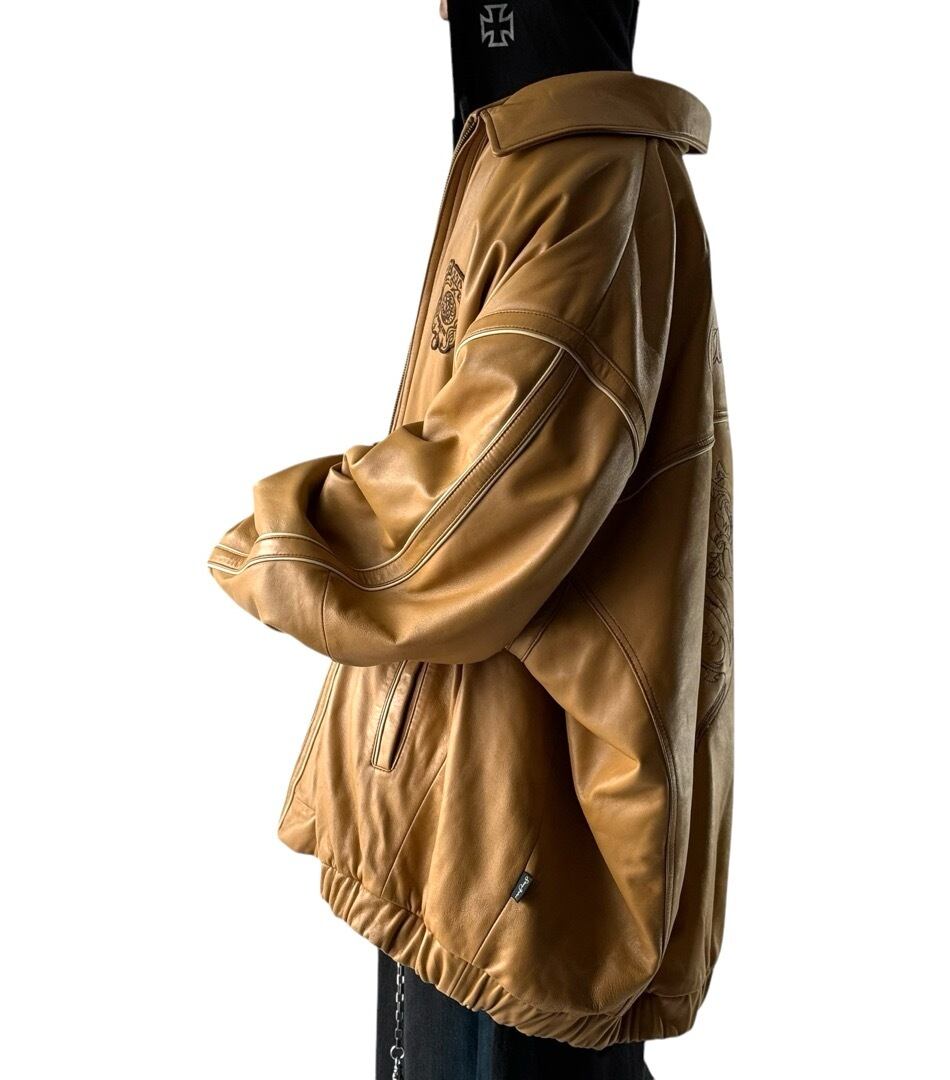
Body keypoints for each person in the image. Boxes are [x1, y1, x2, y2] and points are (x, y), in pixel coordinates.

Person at [207, 1, 733, 1077]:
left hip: (504, 850)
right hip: (481, 824)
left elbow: (473, 505)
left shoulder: (580, 174)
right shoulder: (538, 159)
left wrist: (279, 539)